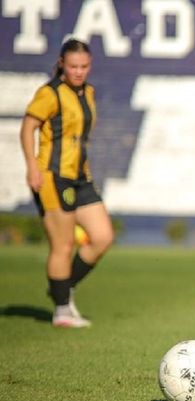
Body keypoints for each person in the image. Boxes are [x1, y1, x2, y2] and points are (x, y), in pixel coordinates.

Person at [20, 39, 114, 327]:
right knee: (62, 245)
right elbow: (27, 128)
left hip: (80, 177)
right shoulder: (49, 94)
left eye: (84, 66)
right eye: (73, 66)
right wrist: (32, 166)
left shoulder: (89, 92)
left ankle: (62, 286)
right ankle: (62, 310)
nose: (78, 72)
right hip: (52, 176)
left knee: (102, 237)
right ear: (62, 63)